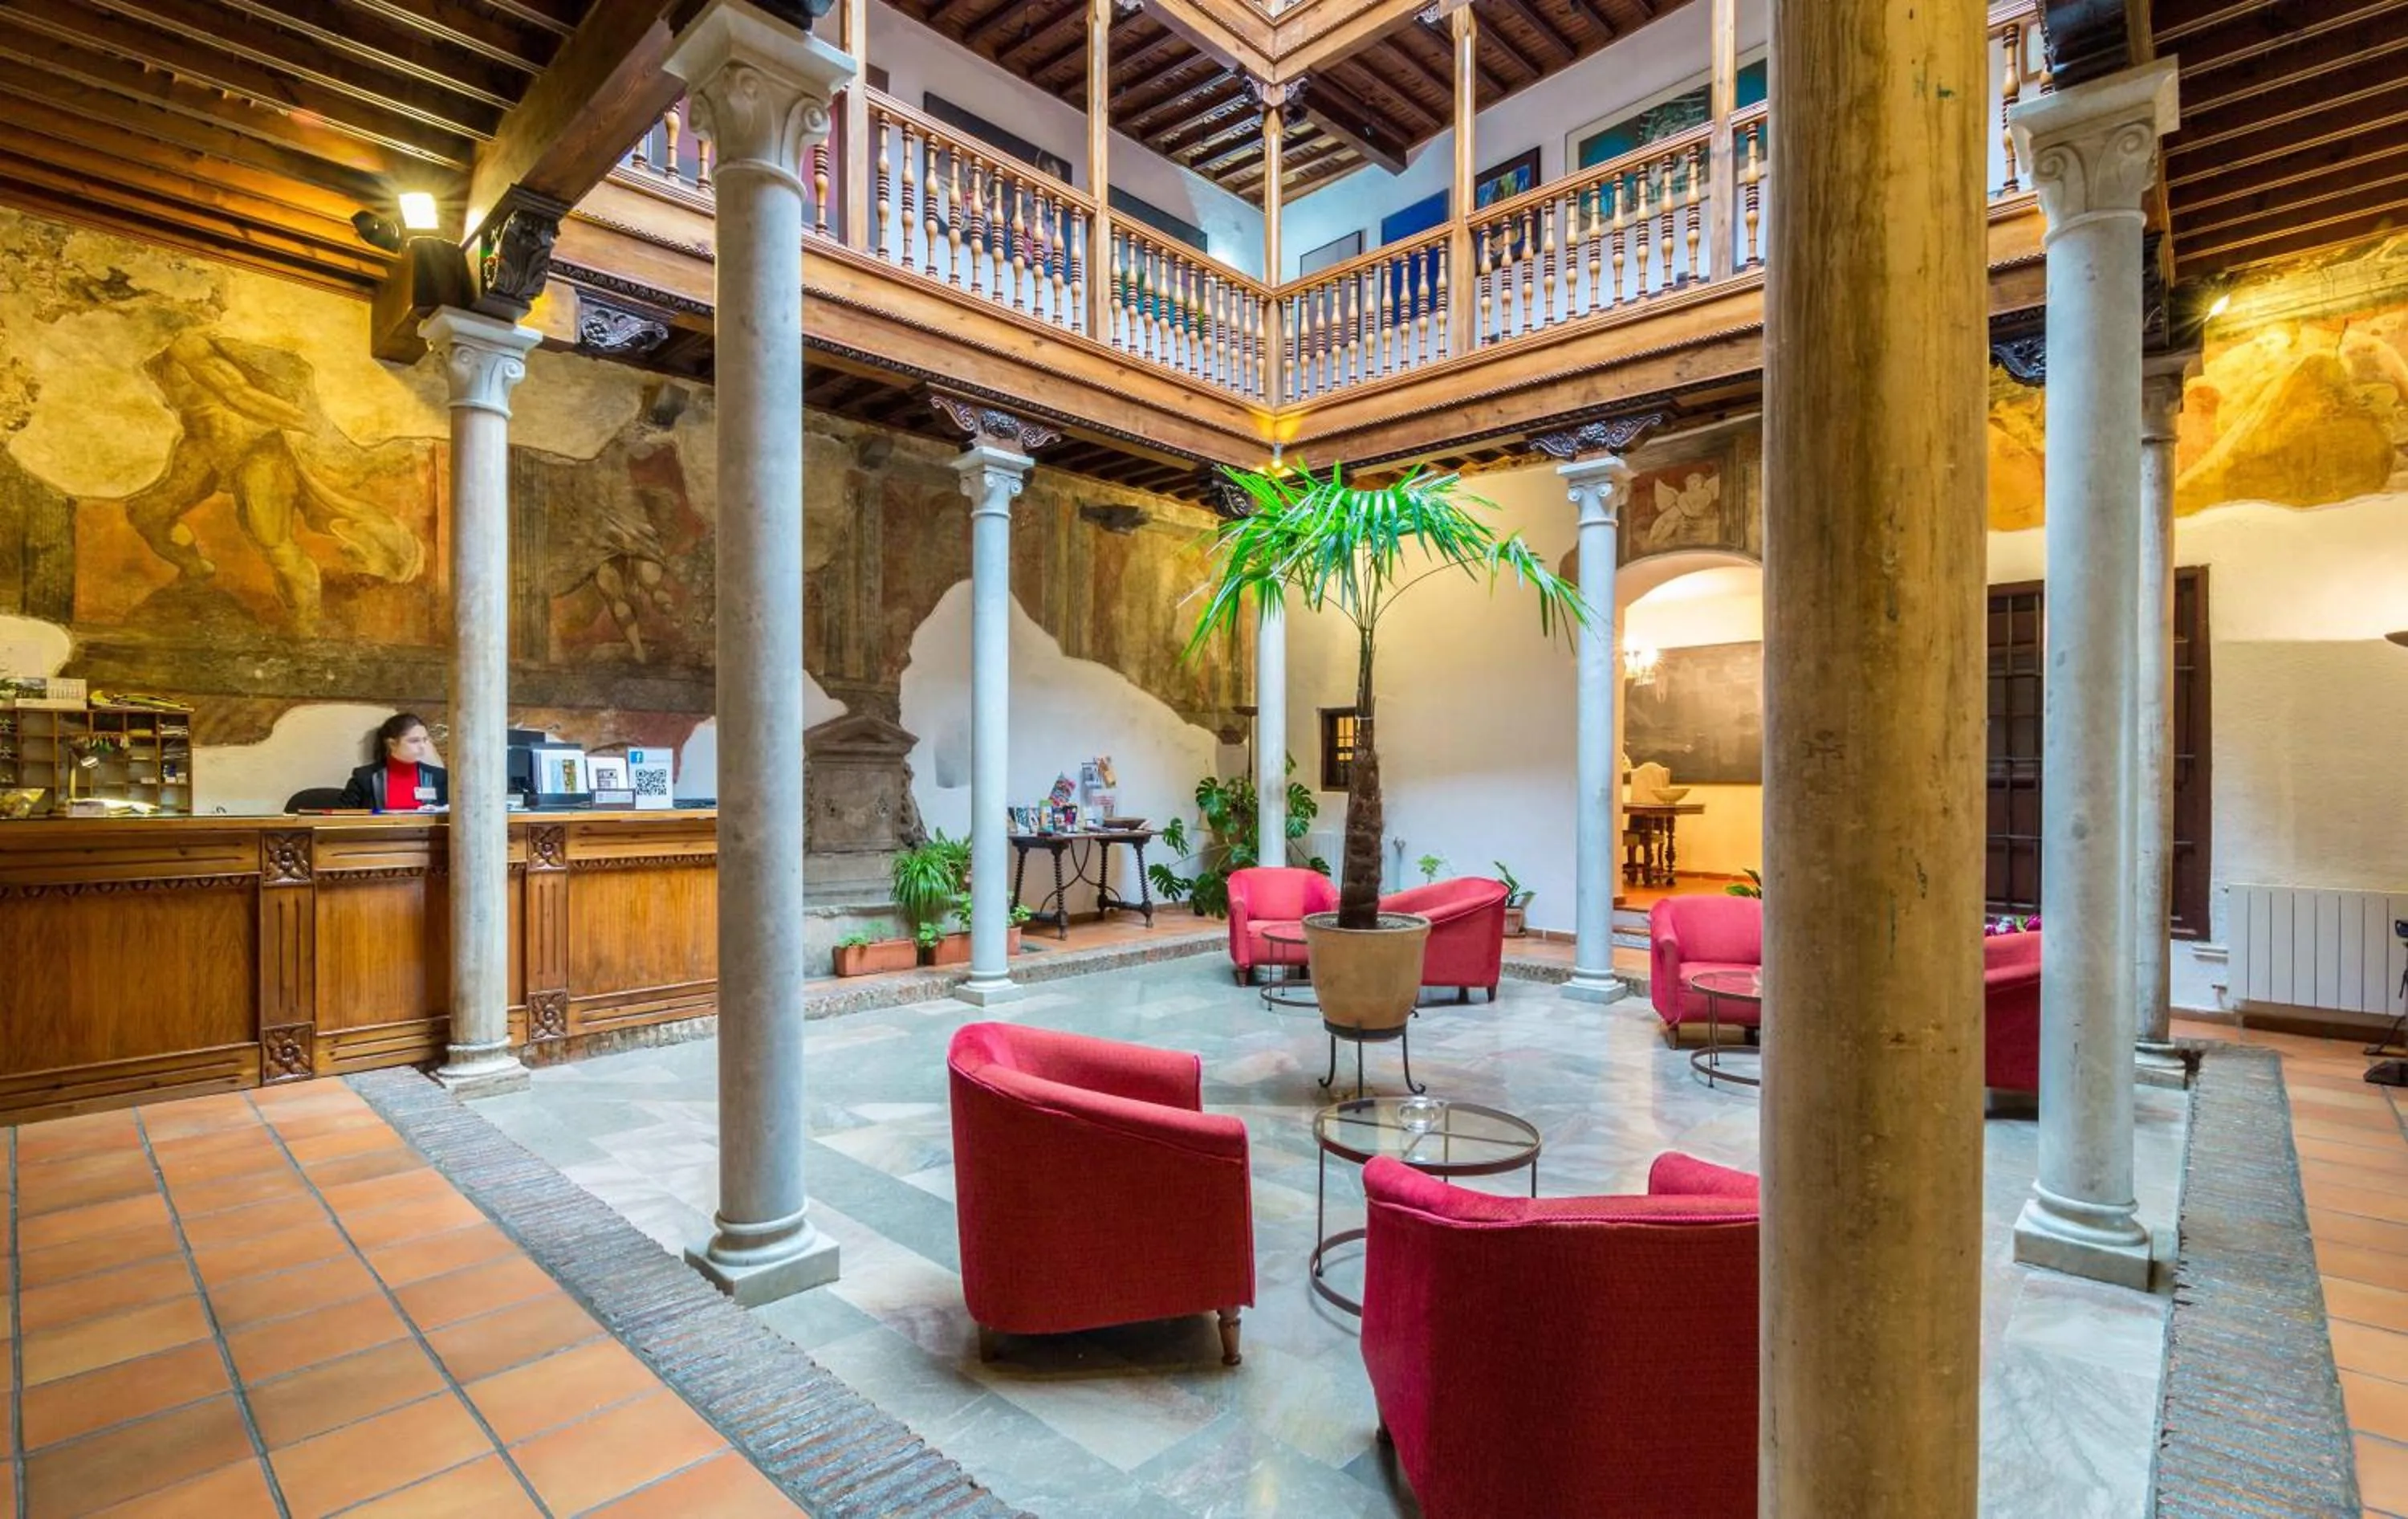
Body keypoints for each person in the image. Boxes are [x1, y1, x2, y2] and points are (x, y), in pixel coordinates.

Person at [338, 714, 447, 812]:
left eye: (425, 740)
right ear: (392, 744)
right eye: (414, 741)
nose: (423, 746)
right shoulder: (365, 778)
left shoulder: (439, 777)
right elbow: (342, 819)